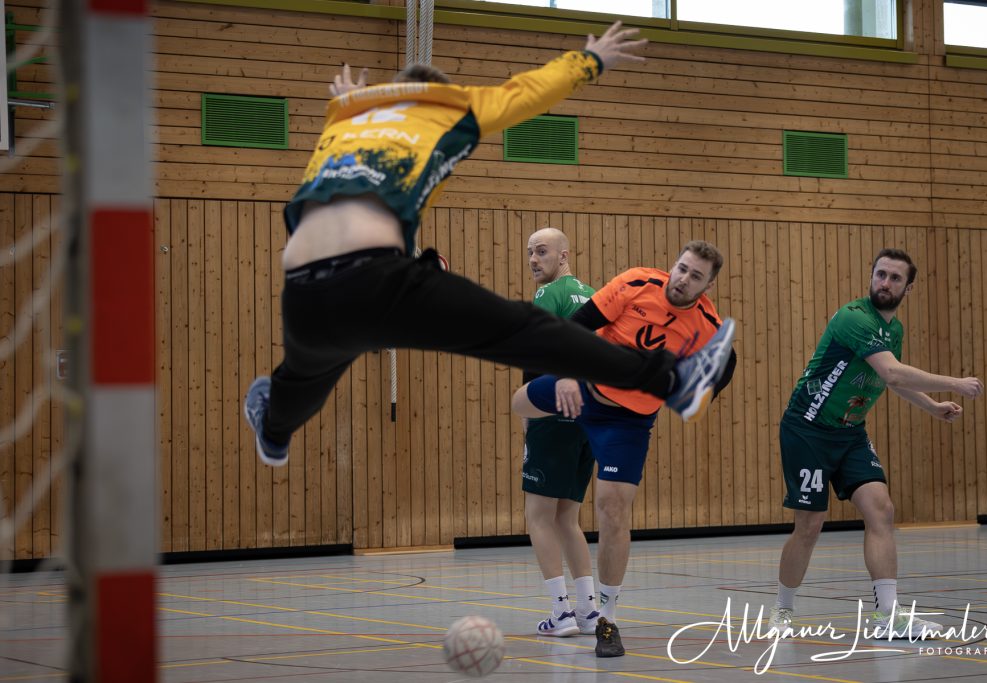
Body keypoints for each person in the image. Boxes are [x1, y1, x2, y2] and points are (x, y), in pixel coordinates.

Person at [242, 22, 736, 469]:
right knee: (523, 328)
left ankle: (275, 430)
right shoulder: (446, 112)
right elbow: (525, 93)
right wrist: (591, 60)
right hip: (375, 279)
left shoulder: (344, 124)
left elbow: (355, 120)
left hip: (303, 295)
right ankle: (673, 383)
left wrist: (353, 101)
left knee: (304, 376)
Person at [512, 240, 738, 657]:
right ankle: (576, 609)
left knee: (612, 511)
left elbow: (726, 366)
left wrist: (693, 394)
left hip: (627, 423)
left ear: (708, 286)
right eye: (682, 268)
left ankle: (607, 620)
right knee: (518, 402)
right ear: (674, 264)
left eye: (695, 276)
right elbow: (577, 326)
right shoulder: (637, 283)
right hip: (585, 387)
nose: (683, 279)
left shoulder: (707, 325)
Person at [767, 248, 984, 639]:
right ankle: (782, 610)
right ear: (871, 276)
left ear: (908, 288)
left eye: (895, 278)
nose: (885, 282)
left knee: (881, 510)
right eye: (880, 274)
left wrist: (932, 407)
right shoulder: (854, 317)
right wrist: (953, 383)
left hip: (850, 433)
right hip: (808, 430)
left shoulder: (893, 331)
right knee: (810, 525)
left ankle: (889, 616)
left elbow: (890, 379)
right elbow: (894, 373)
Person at [521, 227, 600, 638]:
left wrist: (529, 409)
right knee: (568, 517)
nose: (534, 260)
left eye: (542, 251)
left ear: (564, 255)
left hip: (553, 413)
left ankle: (561, 613)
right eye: (530, 253)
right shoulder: (593, 296)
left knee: (538, 517)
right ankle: (588, 611)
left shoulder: (547, 294)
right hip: (589, 418)